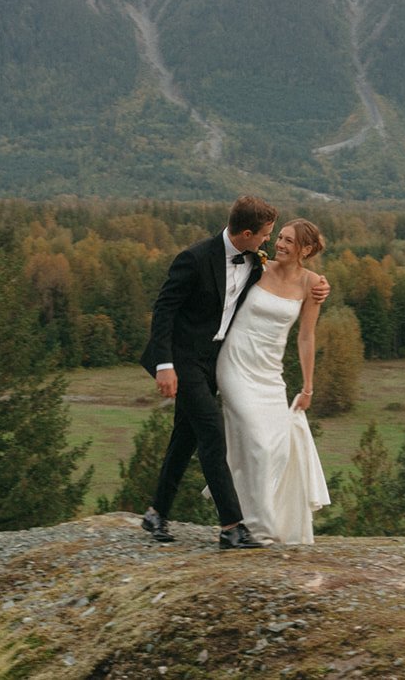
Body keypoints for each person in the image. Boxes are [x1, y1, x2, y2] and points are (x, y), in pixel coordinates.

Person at [137, 195, 327, 549]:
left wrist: (318, 285)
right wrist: (165, 364)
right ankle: (232, 526)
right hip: (184, 360)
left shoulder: (256, 261)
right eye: (268, 235)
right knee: (212, 431)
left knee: (185, 436)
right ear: (247, 233)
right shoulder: (195, 258)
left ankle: (156, 512)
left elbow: (294, 290)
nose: (270, 241)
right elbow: (164, 310)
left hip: (219, 358)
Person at [217, 218, 332, 544]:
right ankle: (258, 529)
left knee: (278, 450)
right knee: (257, 442)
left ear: (305, 250)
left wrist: (307, 387)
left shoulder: (313, 284)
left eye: (288, 241)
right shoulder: (256, 267)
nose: (279, 244)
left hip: (270, 373)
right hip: (235, 362)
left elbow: (306, 337)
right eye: (279, 237)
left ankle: (260, 520)